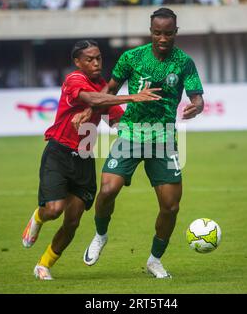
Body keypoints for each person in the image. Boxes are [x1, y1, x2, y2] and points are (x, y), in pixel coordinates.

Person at [21, 39, 161, 281]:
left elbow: (116, 120)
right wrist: (133, 97)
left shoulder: (104, 88)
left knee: (73, 221)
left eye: (98, 58)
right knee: (54, 210)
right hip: (59, 153)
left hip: (84, 159)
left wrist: (139, 131)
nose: (96, 63)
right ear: (77, 62)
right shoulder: (74, 80)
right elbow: (95, 100)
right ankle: (38, 217)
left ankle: (43, 265)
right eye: (89, 59)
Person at [82, 8, 205, 278]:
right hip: (131, 134)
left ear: (176, 32)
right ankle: (101, 235)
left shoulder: (184, 63)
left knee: (171, 206)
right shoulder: (132, 57)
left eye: (168, 33)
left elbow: (198, 97)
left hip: (164, 140)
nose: (162, 38)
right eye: (157, 32)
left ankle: (154, 260)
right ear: (151, 32)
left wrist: (196, 106)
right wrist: (90, 112)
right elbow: (110, 90)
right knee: (107, 190)